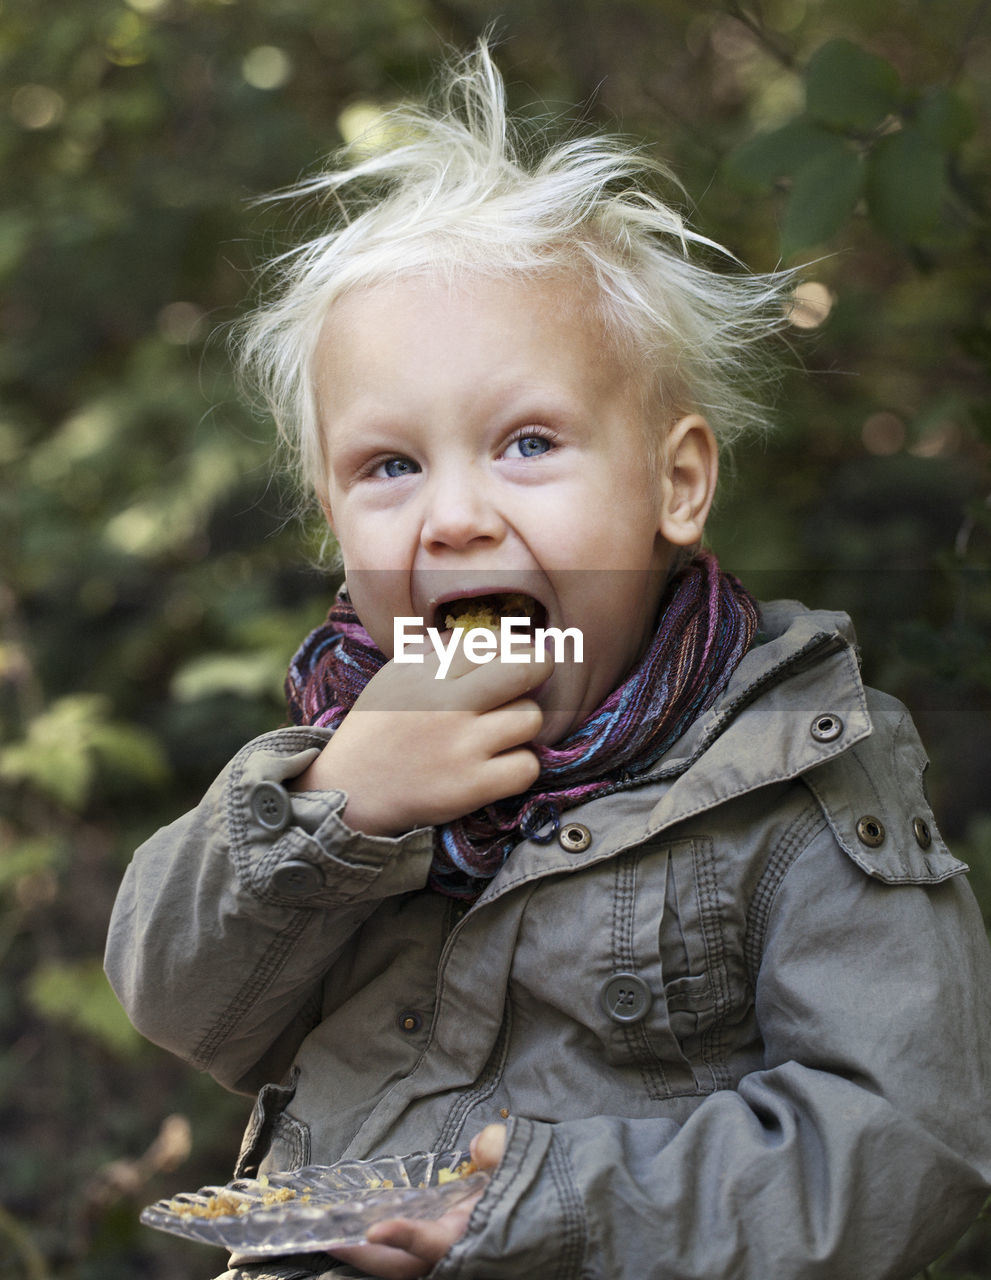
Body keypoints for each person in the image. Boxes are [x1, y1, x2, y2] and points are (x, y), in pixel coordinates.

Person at [105, 43, 991, 1280]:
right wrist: (333, 810)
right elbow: (176, 999)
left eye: (526, 442)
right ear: (330, 522)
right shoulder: (340, 755)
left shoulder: (789, 777)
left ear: (675, 481)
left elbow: (913, 1141)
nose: (455, 514)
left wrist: (533, 1207)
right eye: (390, 467)